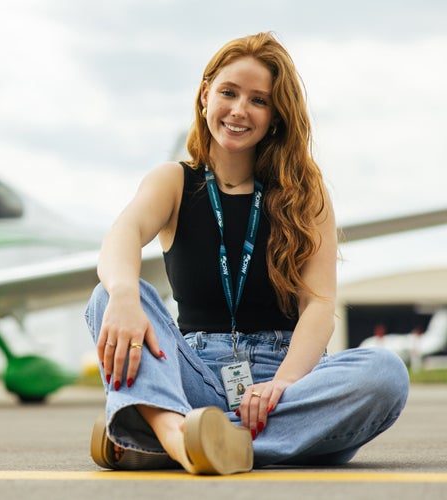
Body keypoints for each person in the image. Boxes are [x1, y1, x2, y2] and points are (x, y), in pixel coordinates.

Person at [84, 32, 409, 475]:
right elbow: (123, 232)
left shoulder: (305, 194)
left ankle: (158, 434)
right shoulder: (173, 181)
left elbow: (318, 305)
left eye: (259, 100)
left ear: (275, 116)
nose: (239, 110)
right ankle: (181, 438)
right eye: (229, 93)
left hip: (284, 385)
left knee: (384, 373)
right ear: (205, 96)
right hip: (193, 375)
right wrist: (123, 293)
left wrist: (284, 383)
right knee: (104, 300)